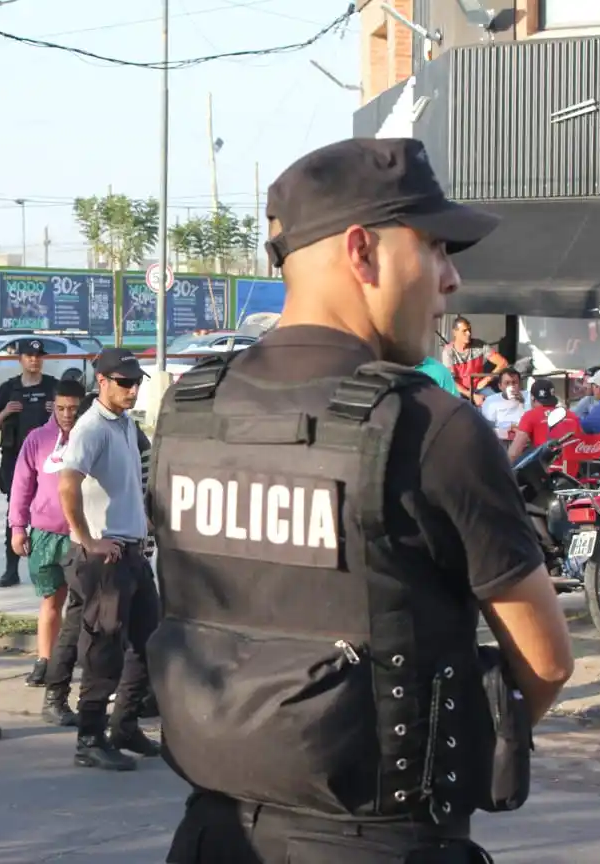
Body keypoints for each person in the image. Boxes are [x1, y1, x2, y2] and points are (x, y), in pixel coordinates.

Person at [149, 138, 574, 864]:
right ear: (361, 252)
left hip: (210, 836)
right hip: (383, 841)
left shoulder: (187, 412)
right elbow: (547, 660)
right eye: (436, 247)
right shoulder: (431, 427)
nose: (451, 279)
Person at [56, 348, 162, 770]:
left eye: (136, 383)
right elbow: (68, 485)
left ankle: (125, 726)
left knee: (147, 644)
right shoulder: (91, 427)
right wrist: (86, 539)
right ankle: (90, 738)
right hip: (107, 557)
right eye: (124, 382)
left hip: (133, 552)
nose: (132, 389)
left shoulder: (124, 424)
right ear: (101, 381)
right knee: (104, 649)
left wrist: (146, 524)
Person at [9, 378, 85, 688]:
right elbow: (21, 486)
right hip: (45, 535)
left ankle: (80, 662)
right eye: (62, 408)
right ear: (53, 406)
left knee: (84, 603)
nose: (67, 414)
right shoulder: (38, 440)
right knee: (51, 600)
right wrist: (17, 527)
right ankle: (44, 660)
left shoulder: (90, 437)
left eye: (74, 409)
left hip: (81, 536)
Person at [0, 339, 59, 588]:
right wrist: (6, 412)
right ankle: (11, 570)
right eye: (29, 355)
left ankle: (52, 566)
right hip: (14, 460)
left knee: (54, 510)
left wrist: (58, 411)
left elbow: (75, 419)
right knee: (15, 513)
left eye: (39, 356)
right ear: (20, 359)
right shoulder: (9, 388)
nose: (34, 360)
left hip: (49, 461)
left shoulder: (54, 387)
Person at [507, 379, 581, 463]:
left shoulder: (530, 416)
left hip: (545, 470)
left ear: (532, 398)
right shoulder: (572, 415)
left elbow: (514, 452)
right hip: (570, 471)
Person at [441, 316, 507, 405]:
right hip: (459, 391)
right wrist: (472, 396)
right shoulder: (448, 351)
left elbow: (503, 363)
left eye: (469, 330)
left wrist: (486, 379)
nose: (468, 333)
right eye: (464, 331)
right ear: (455, 332)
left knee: (497, 404)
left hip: (479, 389)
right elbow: (451, 381)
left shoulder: (479, 345)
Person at [479, 366, 527, 443]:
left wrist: (523, 402)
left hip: (524, 438)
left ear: (520, 384)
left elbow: (533, 419)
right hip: (501, 439)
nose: (511, 386)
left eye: (514, 382)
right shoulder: (491, 401)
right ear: (500, 386)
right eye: (507, 383)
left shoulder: (528, 396)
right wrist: (510, 426)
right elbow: (488, 426)